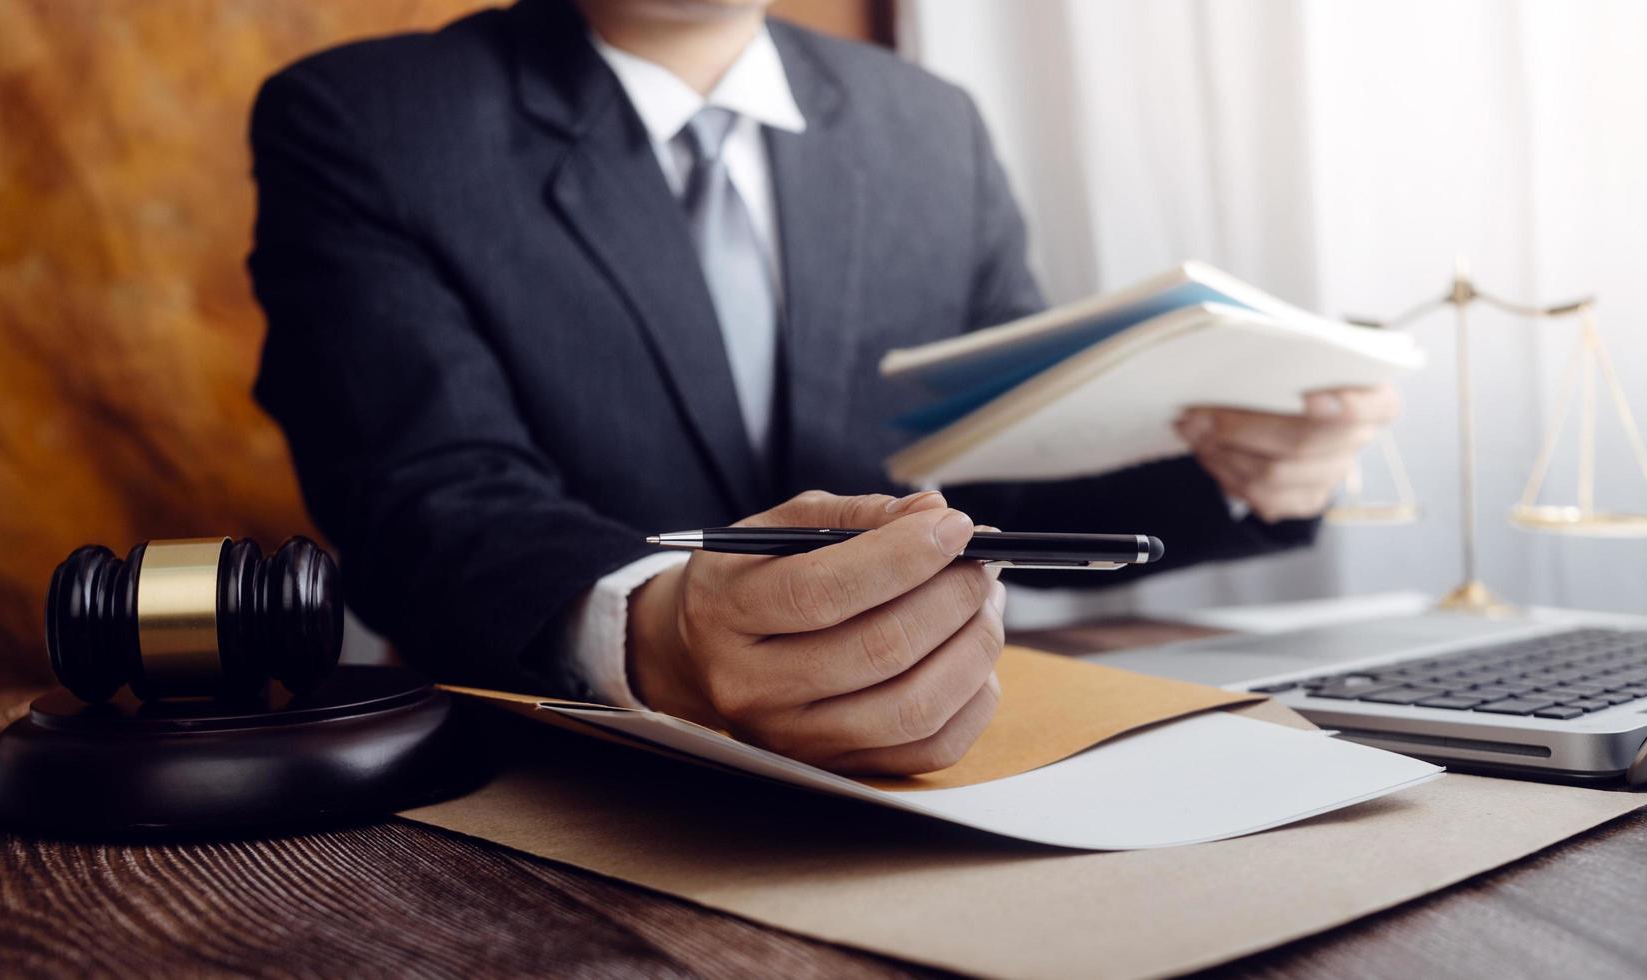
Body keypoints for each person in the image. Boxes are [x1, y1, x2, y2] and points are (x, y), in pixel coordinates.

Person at [247, 0, 1396, 774]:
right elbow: (426, 493)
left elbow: (991, 475)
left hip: (938, 760)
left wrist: (1242, 475)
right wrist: (661, 635)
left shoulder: (927, 126)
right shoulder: (364, 119)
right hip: (561, 778)